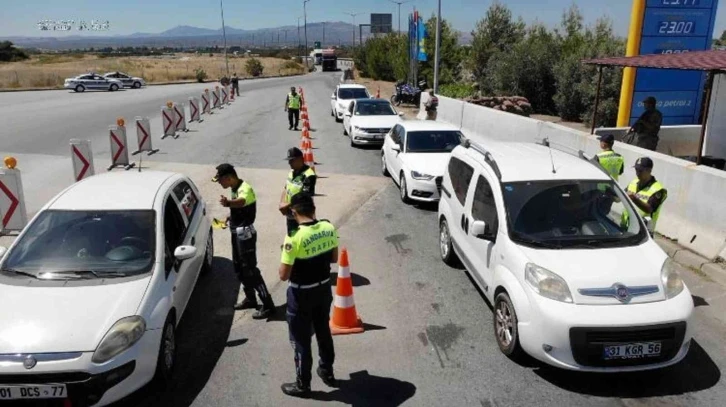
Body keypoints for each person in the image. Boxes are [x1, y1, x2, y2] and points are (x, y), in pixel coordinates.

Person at [278, 193, 338, 397]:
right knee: (323, 330)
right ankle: (327, 370)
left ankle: (303, 384)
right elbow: (334, 258)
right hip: (323, 289)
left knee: (301, 340)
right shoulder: (329, 227)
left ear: (294, 211)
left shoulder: (294, 238)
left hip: (301, 294)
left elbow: (283, 275)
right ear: (313, 208)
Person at [213, 163, 275, 319]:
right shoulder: (234, 188)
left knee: (251, 270)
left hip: (245, 235)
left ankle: (268, 305)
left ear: (228, 177)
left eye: (220, 180)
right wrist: (229, 216)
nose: (220, 183)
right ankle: (251, 298)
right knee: (238, 267)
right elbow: (240, 207)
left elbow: (241, 201)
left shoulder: (244, 189)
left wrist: (228, 203)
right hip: (236, 233)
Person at [621, 157, 668, 234]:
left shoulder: (658, 189)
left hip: (644, 233)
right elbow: (621, 196)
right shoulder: (633, 182)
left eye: (640, 171)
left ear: (649, 171)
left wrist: (634, 198)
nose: (637, 173)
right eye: (636, 170)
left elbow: (649, 209)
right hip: (626, 228)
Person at [279, 147, 317, 236]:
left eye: (292, 160)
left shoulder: (309, 175)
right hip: (290, 213)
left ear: (300, 159)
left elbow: (304, 197)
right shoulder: (292, 172)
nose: (289, 163)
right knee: (292, 237)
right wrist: (281, 203)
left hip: (303, 215)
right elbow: (286, 188)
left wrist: (285, 206)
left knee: (303, 238)